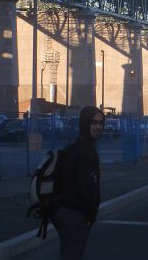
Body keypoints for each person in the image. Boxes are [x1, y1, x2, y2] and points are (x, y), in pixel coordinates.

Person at [52, 106, 104, 260]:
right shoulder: (84, 150)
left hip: (65, 211)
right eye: (93, 122)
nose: (98, 127)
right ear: (85, 123)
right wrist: (90, 214)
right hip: (74, 214)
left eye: (101, 123)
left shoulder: (78, 146)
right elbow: (85, 187)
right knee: (72, 254)